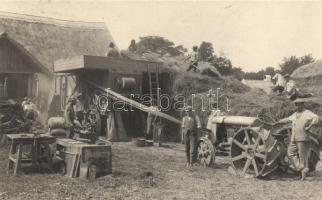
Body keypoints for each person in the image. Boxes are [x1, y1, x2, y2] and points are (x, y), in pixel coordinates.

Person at [278, 98, 319, 180]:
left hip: (303, 138)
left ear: (303, 104)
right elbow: (288, 119)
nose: (297, 106)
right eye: (296, 105)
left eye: (299, 104)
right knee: (290, 152)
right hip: (294, 138)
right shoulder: (295, 114)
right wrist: (280, 121)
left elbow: (316, 117)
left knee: (302, 156)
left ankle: (303, 176)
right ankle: (300, 167)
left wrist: (309, 126)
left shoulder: (307, 113)